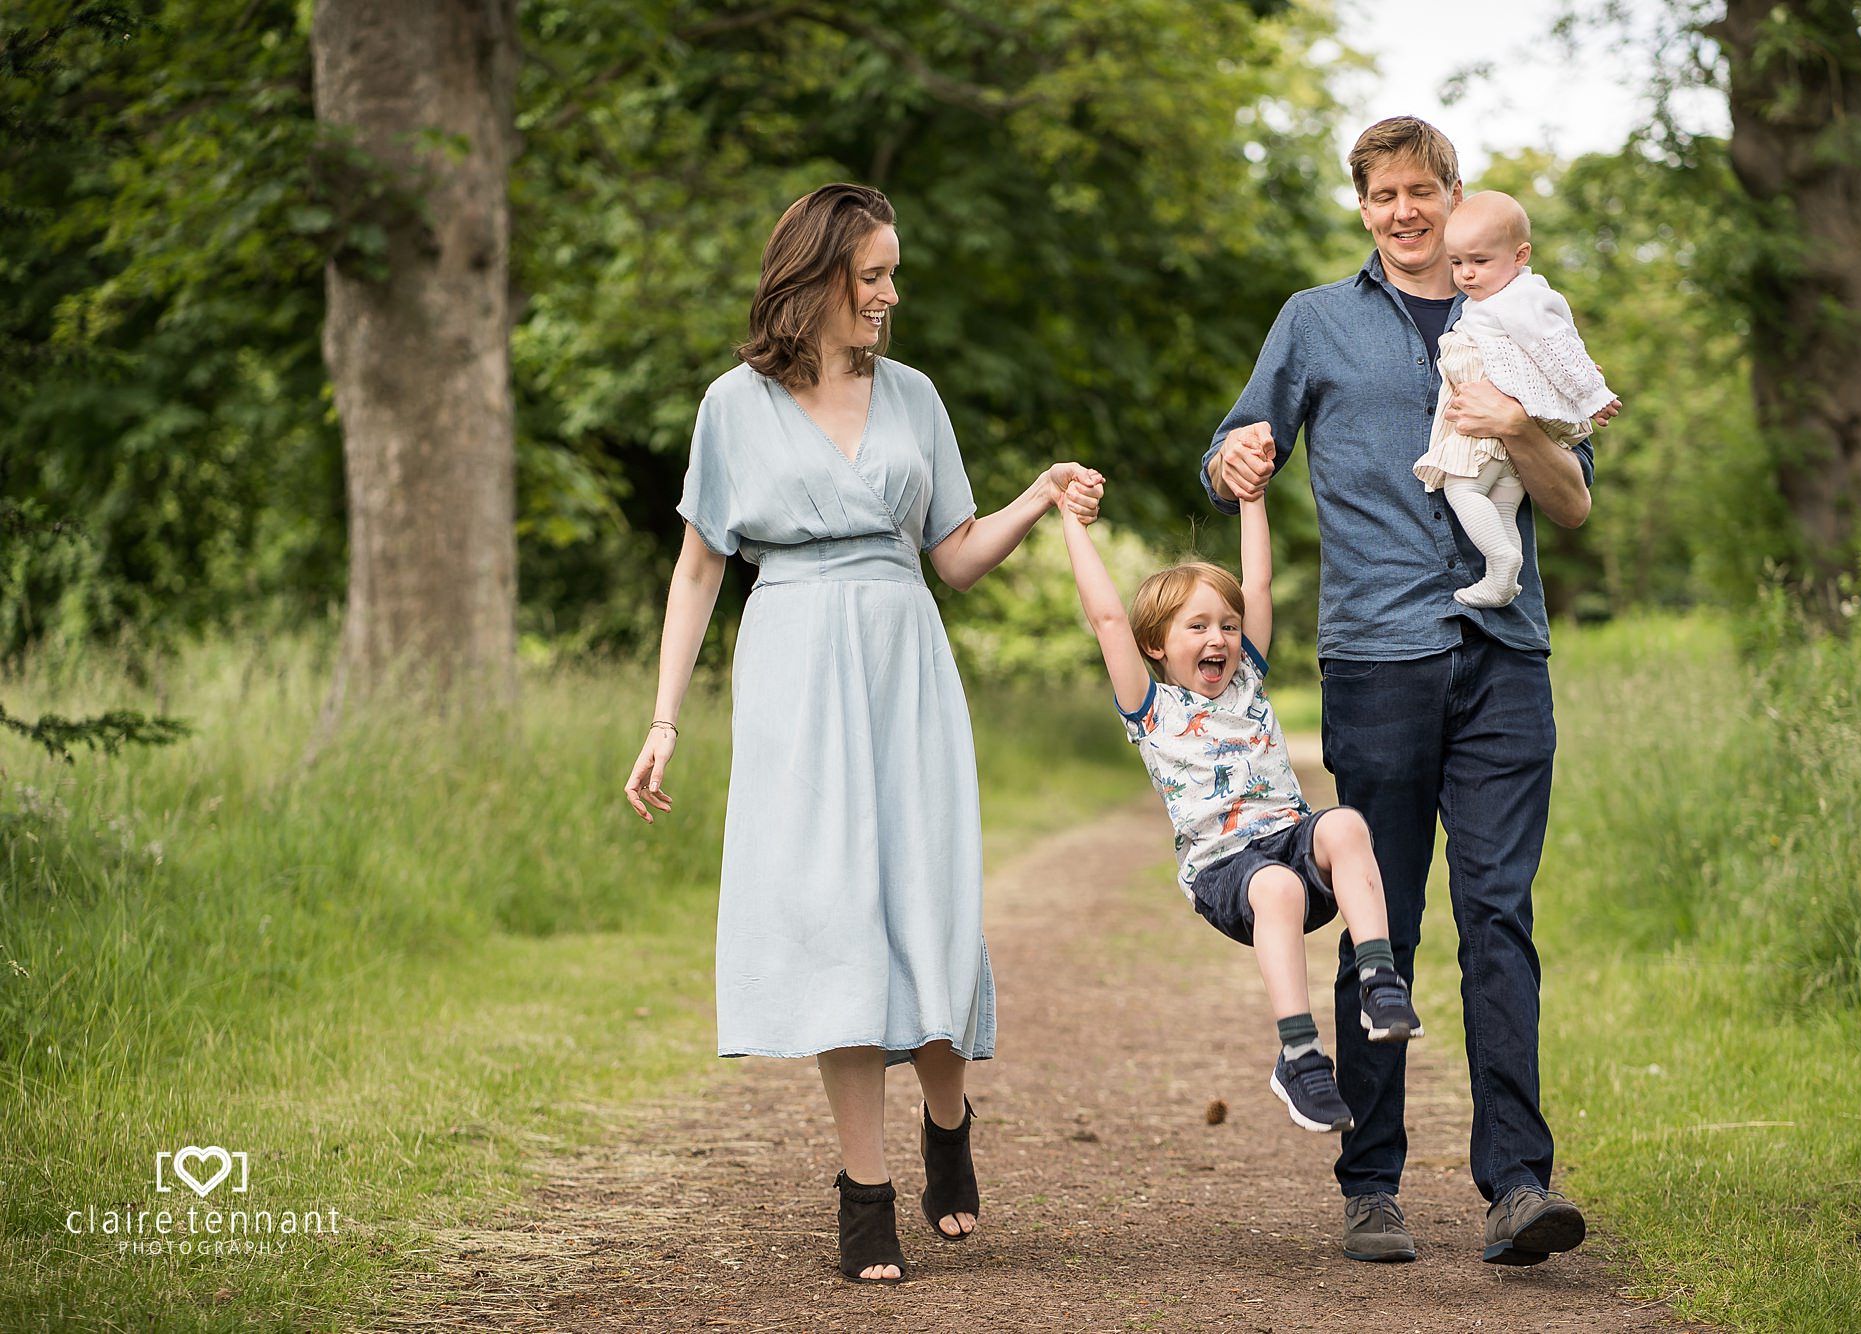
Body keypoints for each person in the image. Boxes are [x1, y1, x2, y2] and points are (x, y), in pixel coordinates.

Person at [622, 183, 1103, 1285]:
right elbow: (700, 564)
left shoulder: (915, 395)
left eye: (892, 274)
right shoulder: (731, 405)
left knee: (920, 898)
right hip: (792, 657)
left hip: (902, 656)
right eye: (873, 274)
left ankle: (946, 1118)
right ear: (815, 276)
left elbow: (954, 553)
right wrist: (663, 717)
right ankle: (863, 1192)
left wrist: (1033, 497)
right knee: (835, 914)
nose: (889, 294)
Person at [1200, 117, 1618, 1267]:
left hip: (1503, 660)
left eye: (1420, 191)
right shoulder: (1315, 321)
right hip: (1375, 661)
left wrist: (1518, 425)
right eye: (1381, 194)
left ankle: (1515, 1184)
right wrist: (1233, 455)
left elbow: (1572, 502)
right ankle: (1371, 1184)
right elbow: (1238, 438)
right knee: (1379, 924)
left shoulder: (1520, 314)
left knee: (1498, 915)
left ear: (1452, 193)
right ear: (1363, 205)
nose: (1402, 211)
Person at [1055, 480, 1424, 1137]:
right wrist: (1072, 522)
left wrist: (1252, 497)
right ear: (1156, 646)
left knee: (1343, 823)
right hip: (1227, 874)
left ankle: (1380, 981)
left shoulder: (1248, 676)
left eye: (1226, 624)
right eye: (1196, 627)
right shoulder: (1151, 707)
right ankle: (1300, 1054)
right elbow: (1108, 617)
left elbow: (1257, 582)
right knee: (1276, 887)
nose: (1219, 636)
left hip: (1289, 839)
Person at [1410, 190, 1619, 608]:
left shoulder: (1517, 300)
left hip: (1485, 434)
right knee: (1502, 503)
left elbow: (1557, 347)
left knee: (1463, 492)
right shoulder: (1502, 297)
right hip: (1510, 451)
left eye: (1480, 261)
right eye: (1457, 263)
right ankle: (1503, 579)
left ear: (1520, 255)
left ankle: (1500, 559)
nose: (1466, 274)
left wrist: (1592, 394)